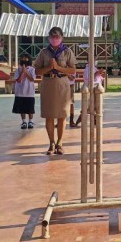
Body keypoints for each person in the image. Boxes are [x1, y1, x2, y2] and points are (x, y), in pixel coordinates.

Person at [34, 27, 77, 155]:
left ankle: (60, 142)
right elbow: (37, 71)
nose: (54, 39)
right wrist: (49, 67)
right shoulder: (44, 52)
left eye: (57, 36)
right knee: (49, 115)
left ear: (62, 37)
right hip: (48, 83)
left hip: (62, 83)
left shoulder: (67, 52)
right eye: (52, 37)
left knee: (62, 115)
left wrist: (58, 67)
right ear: (49, 38)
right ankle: (51, 143)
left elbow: (72, 70)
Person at [12, 53, 36, 129]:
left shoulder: (32, 69)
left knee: (30, 108)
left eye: (26, 58)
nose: (24, 60)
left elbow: (31, 79)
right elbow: (19, 80)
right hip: (20, 92)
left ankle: (30, 121)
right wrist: (22, 72)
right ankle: (23, 121)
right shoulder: (18, 70)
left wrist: (26, 71)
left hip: (29, 92)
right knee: (22, 108)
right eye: (22, 58)